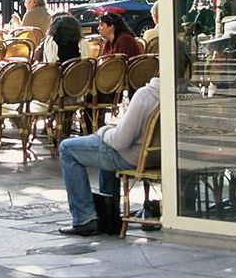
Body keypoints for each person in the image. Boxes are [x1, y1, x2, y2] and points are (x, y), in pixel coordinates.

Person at [58, 77, 160, 236]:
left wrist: (104, 131)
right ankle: (109, 218)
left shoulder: (145, 95)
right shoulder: (185, 96)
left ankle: (84, 218)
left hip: (132, 156)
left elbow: (120, 142)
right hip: (158, 156)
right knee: (104, 149)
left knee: (67, 148)